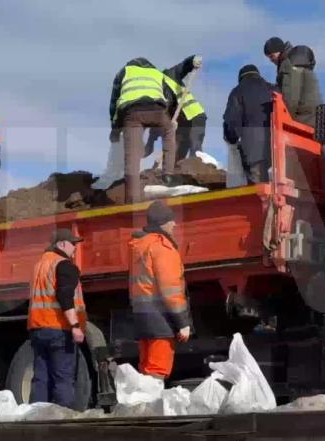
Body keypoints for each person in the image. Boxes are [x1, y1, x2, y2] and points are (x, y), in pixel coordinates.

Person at [128, 201, 192, 379]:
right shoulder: (162, 246)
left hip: (143, 317)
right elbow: (170, 289)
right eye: (171, 220)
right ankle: (151, 406)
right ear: (163, 223)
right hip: (160, 319)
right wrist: (183, 322)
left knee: (146, 370)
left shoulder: (139, 245)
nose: (175, 224)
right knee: (157, 370)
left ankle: (144, 404)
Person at [27, 229, 87, 408]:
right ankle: (64, 423)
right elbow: (65, 296)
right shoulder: (64, 265)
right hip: (58, 329)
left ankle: (37, 420)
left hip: (38, 328)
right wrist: (75, 325)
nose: (75, 247)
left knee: (41, 378)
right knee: (63, 379)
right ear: (61, 244)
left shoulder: (40, 265)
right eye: (72, 243)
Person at [109, 58, 176, 203]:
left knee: (131, 157)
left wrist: (115, 128)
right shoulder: (157, 73)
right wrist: (167, 117)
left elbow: (114, 101)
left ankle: (132, 200)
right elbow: (170, 97)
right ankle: (168, 173)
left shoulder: (124, 72)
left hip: (132, 114)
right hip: (157, 111)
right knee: (169, 133)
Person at [145, 55, 206, 162]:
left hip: (194, 117)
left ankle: (196, 170)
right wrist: (149, 144)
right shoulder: (152, 95)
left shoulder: (169, 75)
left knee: (195, 150)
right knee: (174, 157)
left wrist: (192, 61)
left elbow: (183, 66)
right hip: (179, 126)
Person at [223, 65, 275, 184]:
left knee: (259, 190)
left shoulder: (238, 91)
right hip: (277, 145)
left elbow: (232, 119)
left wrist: (232, 138)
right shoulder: (273, 88)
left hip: (253, 148)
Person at [263, 37, 323, 127]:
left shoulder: (288, 64)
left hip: (303, 118)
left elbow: (291, 96)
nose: (271, 60)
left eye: (272, 56)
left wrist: (287, 118)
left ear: (279, 51)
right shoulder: (296, 61)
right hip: (311, 115)